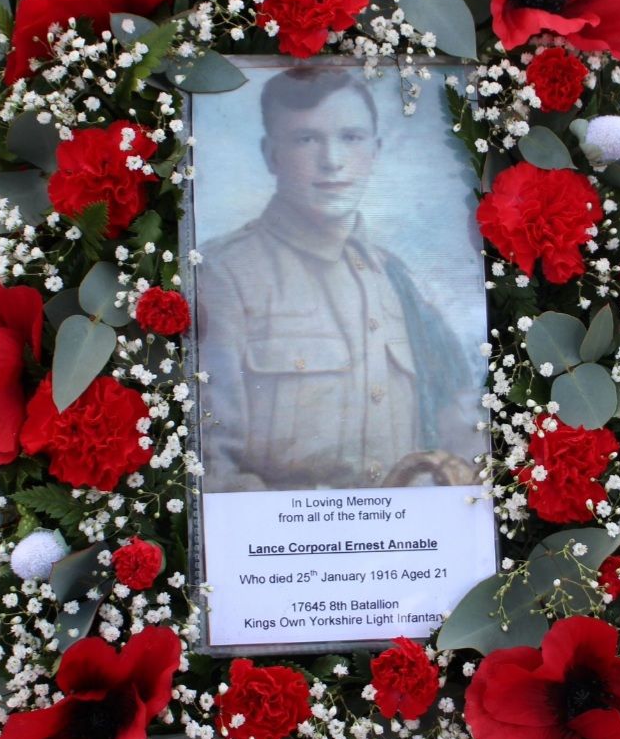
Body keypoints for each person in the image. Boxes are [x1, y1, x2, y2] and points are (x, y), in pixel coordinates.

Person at [196, 67, 480, 493]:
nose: (332, 160)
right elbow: (210, 472)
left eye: (351, 137)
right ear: (271, 155)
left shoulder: (396, 280)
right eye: (306, 139)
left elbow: (463, 441)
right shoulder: (225, 277)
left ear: (375, 150)